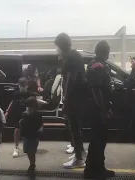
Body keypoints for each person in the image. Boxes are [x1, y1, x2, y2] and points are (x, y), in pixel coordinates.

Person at [54, 33, 87, 169]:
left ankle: (79, 159)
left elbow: (70, 81)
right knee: (75, 127)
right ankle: (80, 153)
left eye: (58, 47)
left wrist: (66, 101)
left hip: (74, 99)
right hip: (76, 98)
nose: (57, 50)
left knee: (74, 127)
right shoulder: (74, 56)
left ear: (62, 45)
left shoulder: (71, 59)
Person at [84, 40, 115, 179]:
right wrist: (103, 109)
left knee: (99, 140)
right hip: (97, 109)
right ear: (105, 52)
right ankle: (93, 171)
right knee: (98, 140)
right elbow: (96, 89)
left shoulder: (95, 64)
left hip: (96, 108)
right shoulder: (98, 66)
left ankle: (98, 169)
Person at [5, 77, 35, 157]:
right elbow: (12, 102)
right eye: (21, 85)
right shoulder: (16, 94)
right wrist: (7, 111)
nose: (22, 87)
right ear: (18, 85)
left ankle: (28, 146)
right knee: (17, 130)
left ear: (27, 85)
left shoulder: (29, 94)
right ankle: (16, 147)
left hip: (27, 115)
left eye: (24, 85)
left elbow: (33, 105)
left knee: (28, 132)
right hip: (18, 114)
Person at [18, 96, 43, 179]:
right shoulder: (25, 114)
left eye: (29, 107)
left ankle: (32, 165)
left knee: (32, 152)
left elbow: (40, 125)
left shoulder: (37, 115)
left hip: (34, 136)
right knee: (27, 151)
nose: (28, 108)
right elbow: (22, 125)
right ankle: (32, 163)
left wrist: (39, 133)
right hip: (26, 136)